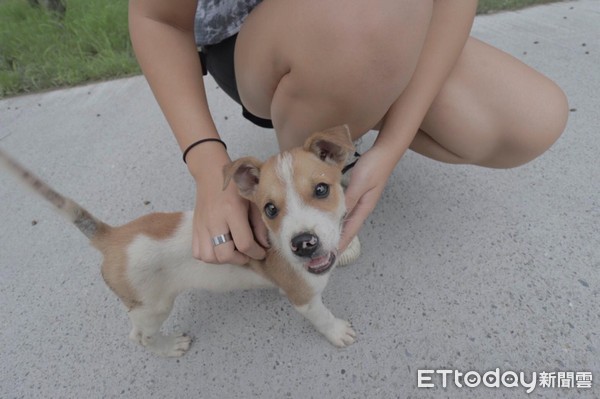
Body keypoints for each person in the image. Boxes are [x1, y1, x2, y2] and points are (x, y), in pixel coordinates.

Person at [128, 0, 568, 266]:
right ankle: (309, 155)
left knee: (532, 120)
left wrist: (391, 147)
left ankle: (341, 129)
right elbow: (158, 16)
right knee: (362, 19)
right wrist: (209, 169)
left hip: (389, 20)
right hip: (260, 40)